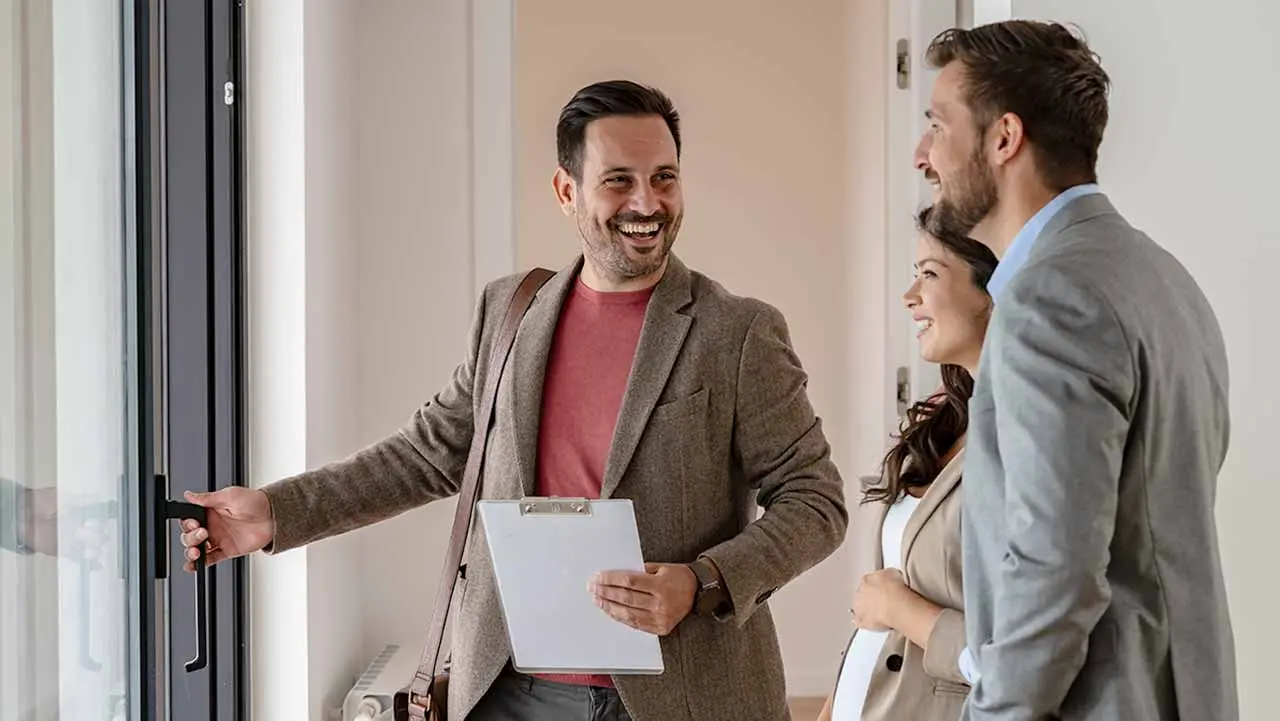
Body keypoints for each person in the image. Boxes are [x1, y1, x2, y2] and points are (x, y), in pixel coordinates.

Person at [176, 79, 848, 721]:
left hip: (683, 692)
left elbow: (815, 500)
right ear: (566, 190)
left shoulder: (738, 332)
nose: (647, 202)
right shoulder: (511, 313)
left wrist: (701, 581)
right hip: (511, 689)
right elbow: (425, 454)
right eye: (618, 180)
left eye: (664, 177)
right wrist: (274, 511)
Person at [919, 20, 1237, 720]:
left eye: (937, 126)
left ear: (1004, 138)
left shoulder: (1050, 296)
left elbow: (1053, 577)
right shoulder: (1163, 277)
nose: (923, 155)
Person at [816, 207, 996, 721]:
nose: (909, 296)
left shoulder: (1025, 442)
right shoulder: (946, 420)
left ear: (992, 289)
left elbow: (1020, 660)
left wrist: (899, 609)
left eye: (930, 274)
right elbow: (878, 610)